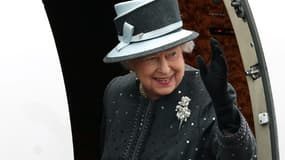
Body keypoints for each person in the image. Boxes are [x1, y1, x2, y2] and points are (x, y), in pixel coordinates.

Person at [100, 0, 257, 159]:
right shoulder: (116, 91)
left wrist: (227, 116)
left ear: (183, 51)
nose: (165, 69)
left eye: (172, 54)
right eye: (152, 58)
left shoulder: (208, 96)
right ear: (131, 62)